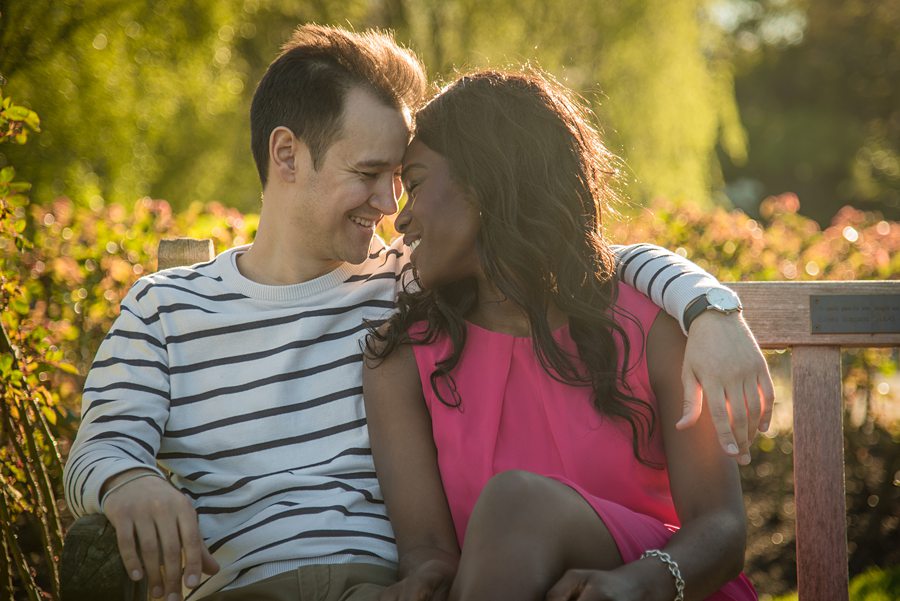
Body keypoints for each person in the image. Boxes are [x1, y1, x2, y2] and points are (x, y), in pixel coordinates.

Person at [63, 25, 771, 601]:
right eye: (369, 174)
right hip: (246, 583)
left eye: (403, 181)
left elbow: (576, 252)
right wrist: (131, 481)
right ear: (287, 155)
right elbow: (99, 447)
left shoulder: (401, 284)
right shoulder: (167, 306)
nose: (390, 208)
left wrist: (708, 307)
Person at [363, 70, 757, 601]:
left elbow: (722, 529)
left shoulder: (653, 324)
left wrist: (635, 584)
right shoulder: (402, 358)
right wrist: (426, 577)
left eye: (414, 185)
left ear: (485, 181)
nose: (400, 220)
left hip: (659, 583)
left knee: (517, 503)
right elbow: (427, 547)